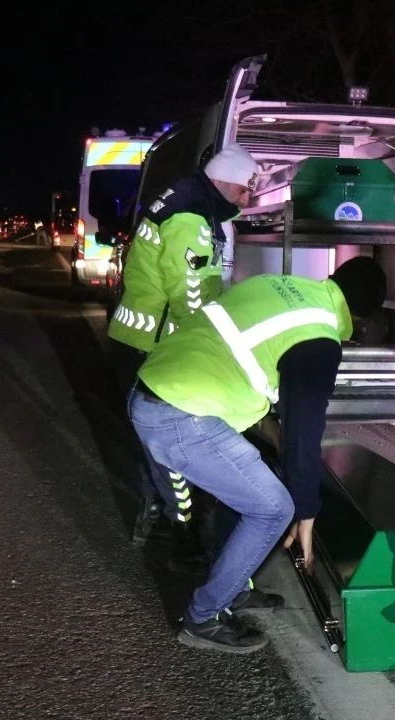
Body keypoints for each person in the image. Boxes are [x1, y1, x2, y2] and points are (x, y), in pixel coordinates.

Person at [130, 256, 387, 653]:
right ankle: (203, 617)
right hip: (180, 417)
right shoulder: (320, 337)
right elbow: (304, 429)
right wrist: (305, 509)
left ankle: (233, 587)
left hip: (153, 390)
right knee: (272, 508)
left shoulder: (281, 287)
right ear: (360, 318)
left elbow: (247, 371)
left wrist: (278, 446)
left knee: (254, 472)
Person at [108, 143, 260, 543]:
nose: (246, 199)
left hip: (138, 334)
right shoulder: (190, 217)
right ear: (224, 182)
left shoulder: (186, 197)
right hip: (155, 340)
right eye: (245, 190)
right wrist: (210, 347)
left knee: (149, 438)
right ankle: (179, 535)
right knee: (166, 442)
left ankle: (157, 513)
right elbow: (188, 294)